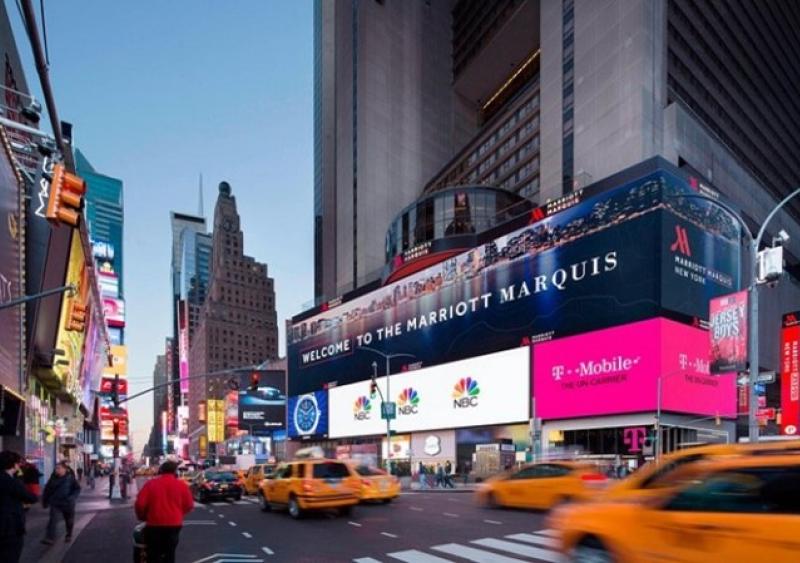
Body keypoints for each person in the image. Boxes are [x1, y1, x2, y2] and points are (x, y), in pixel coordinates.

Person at [135, 460, 194, 563]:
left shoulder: (151, 484)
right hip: (174, 524)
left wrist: (142, 517)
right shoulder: (182, 485)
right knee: (170, 553)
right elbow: (189, 505)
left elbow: (140, 504)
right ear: (175, 472)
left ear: (160, 471)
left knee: (153, 553)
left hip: (154, 524)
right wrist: (179, 513)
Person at [0, 451, 38, 562]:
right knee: (10, 555)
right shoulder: (11, 481)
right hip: (9, 526)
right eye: (18, 463)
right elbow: (31, 497)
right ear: (14, 465)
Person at [41, 461, 81, 545]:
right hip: (55, 502)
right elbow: (47, 490)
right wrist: (45, 501)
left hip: (68, 503)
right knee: (53, 520)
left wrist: (72, 497)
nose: (56, 470)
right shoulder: (52, 478)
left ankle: (69, 534)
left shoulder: (70, 478)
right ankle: (50, 538)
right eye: (56, 468)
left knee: (69, 520)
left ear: (65, 469)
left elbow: (77, 488)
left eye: (59, 468)